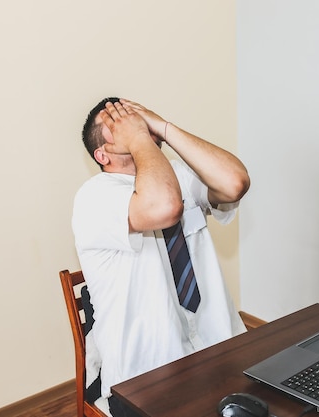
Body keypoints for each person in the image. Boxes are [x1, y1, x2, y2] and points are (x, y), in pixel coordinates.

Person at [72, 97, 251, 417]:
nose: (130, 122)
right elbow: (164, 207)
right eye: (117, 122)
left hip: (218, 349)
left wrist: (164, 129)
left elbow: (235, 183)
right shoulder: (93, 197)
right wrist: (140, 138)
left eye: (132, 116)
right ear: (102, 154)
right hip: (146, 380)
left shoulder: (177, 175)